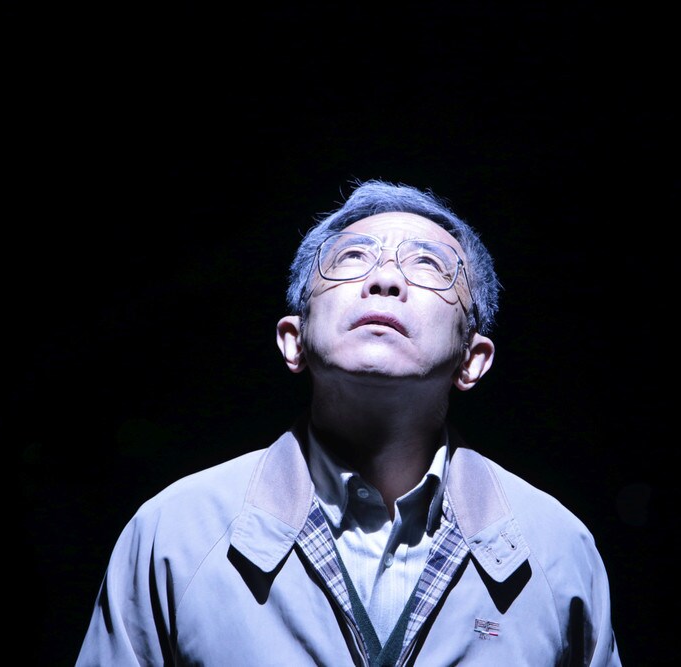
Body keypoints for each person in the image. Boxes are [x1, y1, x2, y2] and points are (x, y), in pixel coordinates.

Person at [75, 179, 622, 666]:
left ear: (472, 359)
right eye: (353, 257)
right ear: (293, 339)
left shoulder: (556, 550)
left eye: (428, 264)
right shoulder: (176, 533)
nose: (384, 280)